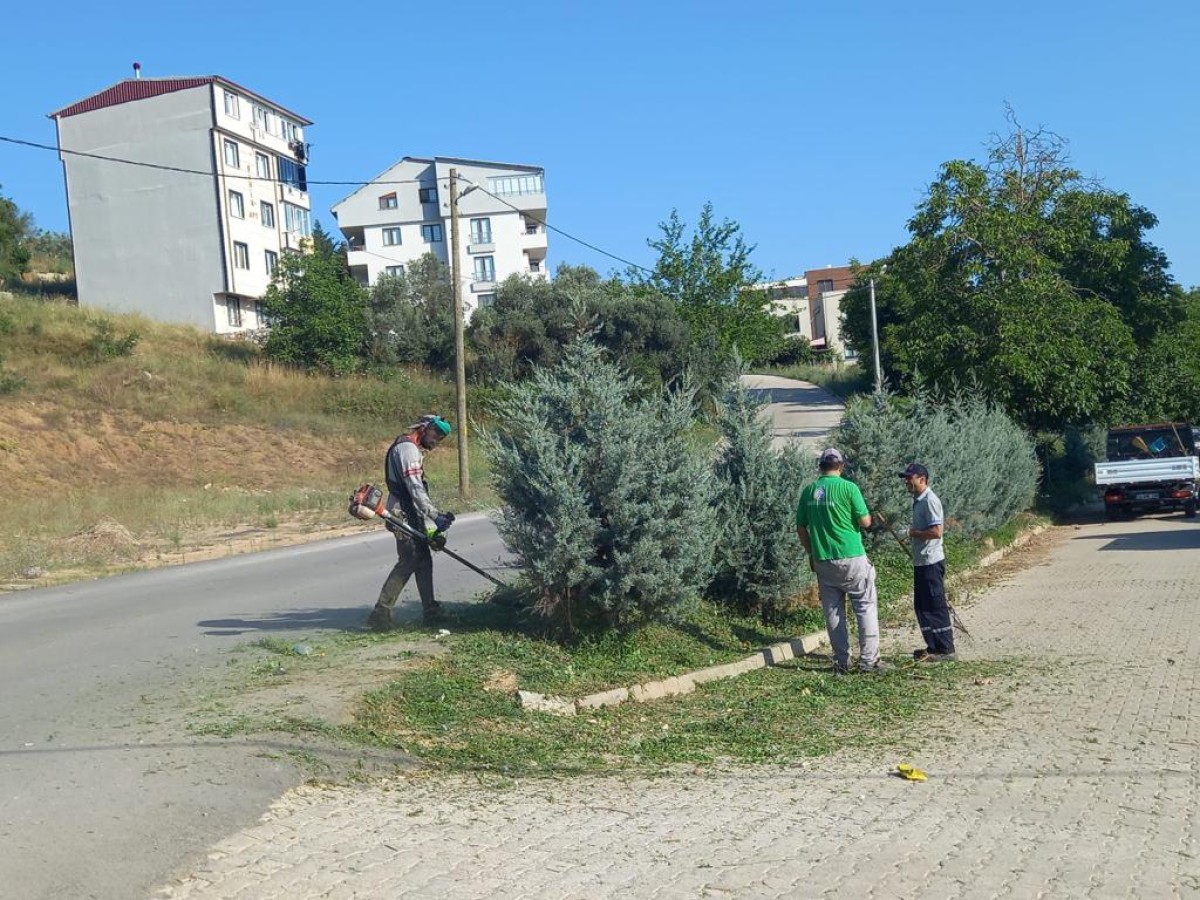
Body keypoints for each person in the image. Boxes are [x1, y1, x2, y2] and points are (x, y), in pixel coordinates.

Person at [795, 448, 885, 674]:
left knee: (833, 612)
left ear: (820, 466)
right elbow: (865, 522)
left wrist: (811, 554)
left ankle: (841, 661)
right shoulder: (849, 488)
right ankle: (868, 661)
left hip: (823, 560)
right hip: (851, 557)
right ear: (841, 466)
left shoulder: (809, 492)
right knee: (864, 606)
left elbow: (800, 528)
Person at [366, 414, 455, 631]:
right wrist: (435, 515)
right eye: (436, 433)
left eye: (441, 438)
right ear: (424, 428)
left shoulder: (411, 449)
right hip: (401, 511)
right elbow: (415, 488)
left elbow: (417, 491)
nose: (437, 440)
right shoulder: (408, 450)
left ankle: (431, 611)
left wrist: (432, 528)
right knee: (409, 559)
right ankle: (380, 612)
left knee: (423, 559)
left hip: (410, 510)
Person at [900, 462, 956, 662]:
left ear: (922, 479)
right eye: (906, 478)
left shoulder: (930, 501)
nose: (906, 482)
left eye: (909, 478)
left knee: (935, 604)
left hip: (932, 562)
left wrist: (911, 533)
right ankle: (932, 647)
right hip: (921, 561)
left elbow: (936, 532)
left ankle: (946, 649)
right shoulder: (918, 500)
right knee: (921, 605)